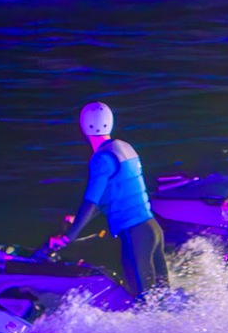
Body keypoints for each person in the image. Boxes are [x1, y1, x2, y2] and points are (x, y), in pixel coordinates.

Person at [47, 101, 168, 300]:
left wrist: (67, 238)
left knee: (144, 303)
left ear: (83, 126)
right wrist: (76, 224)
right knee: (163, 300)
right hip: (153, 230)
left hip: (134, 234)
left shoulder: (101, 159)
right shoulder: (125, 148)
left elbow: (91, 202)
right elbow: (107, 201)